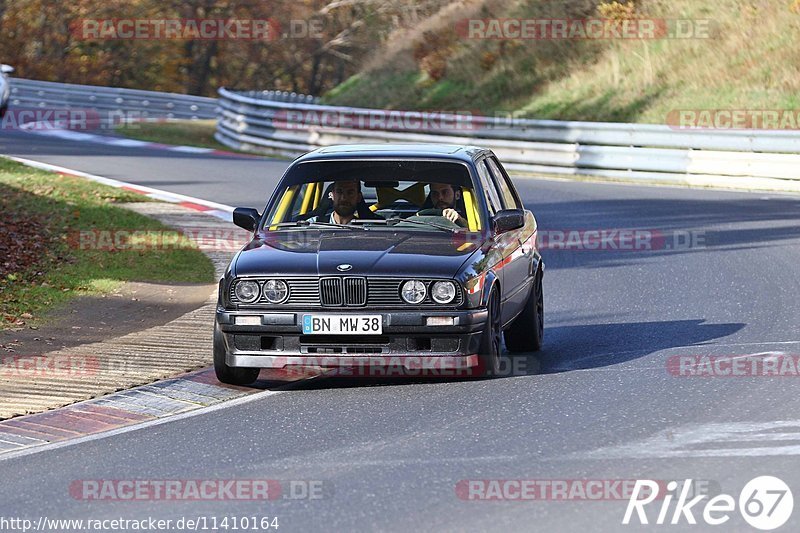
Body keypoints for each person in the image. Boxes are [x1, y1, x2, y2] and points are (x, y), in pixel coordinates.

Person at [306, 179, 380, 224]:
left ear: (359, 197)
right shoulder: (313, 225)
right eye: (339, 192)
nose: (344, 198)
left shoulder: (369, 231)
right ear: (331, 195)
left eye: (350, 193)